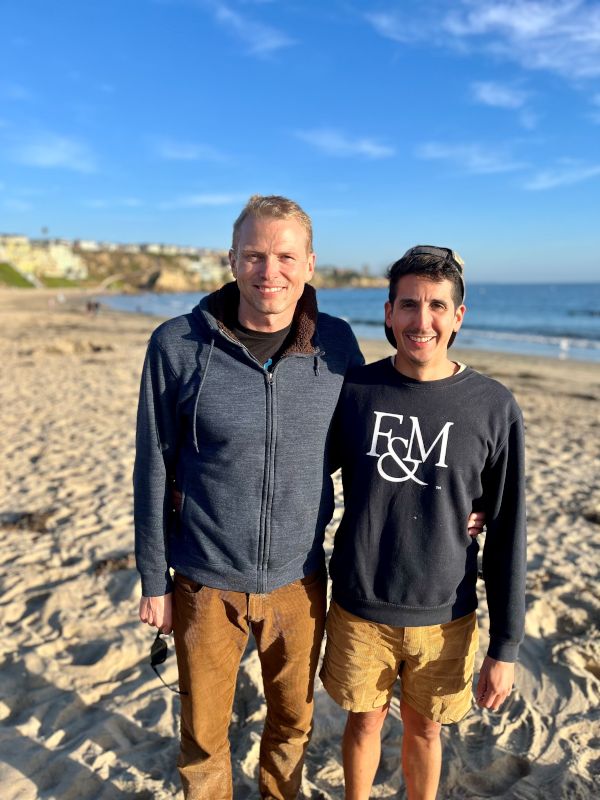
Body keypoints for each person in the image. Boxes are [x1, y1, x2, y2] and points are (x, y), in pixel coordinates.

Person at [133, 195, 364, 800]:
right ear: (231, 259)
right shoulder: (177, 345)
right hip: (204, 582)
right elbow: (152, 466)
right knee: (204, 736)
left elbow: (363, 451)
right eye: (256, 255)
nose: (271, 271)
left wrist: (455, 498)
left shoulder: (338, 348)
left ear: (310, 264)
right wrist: (154, 579)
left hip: (300, 580)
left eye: (285, 255)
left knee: (292, 725)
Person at [320, 246, 526, 800]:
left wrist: (505, 645)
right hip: (360, 603)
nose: (422, 320)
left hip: (445, 611)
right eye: (408, 304)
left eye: (438, 305)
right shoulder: (357, 392)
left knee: (426, 728)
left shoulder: (493, 406)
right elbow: (302, 473)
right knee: (363, 721)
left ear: (459, 316)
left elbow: (508, 530)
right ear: (388, 313)